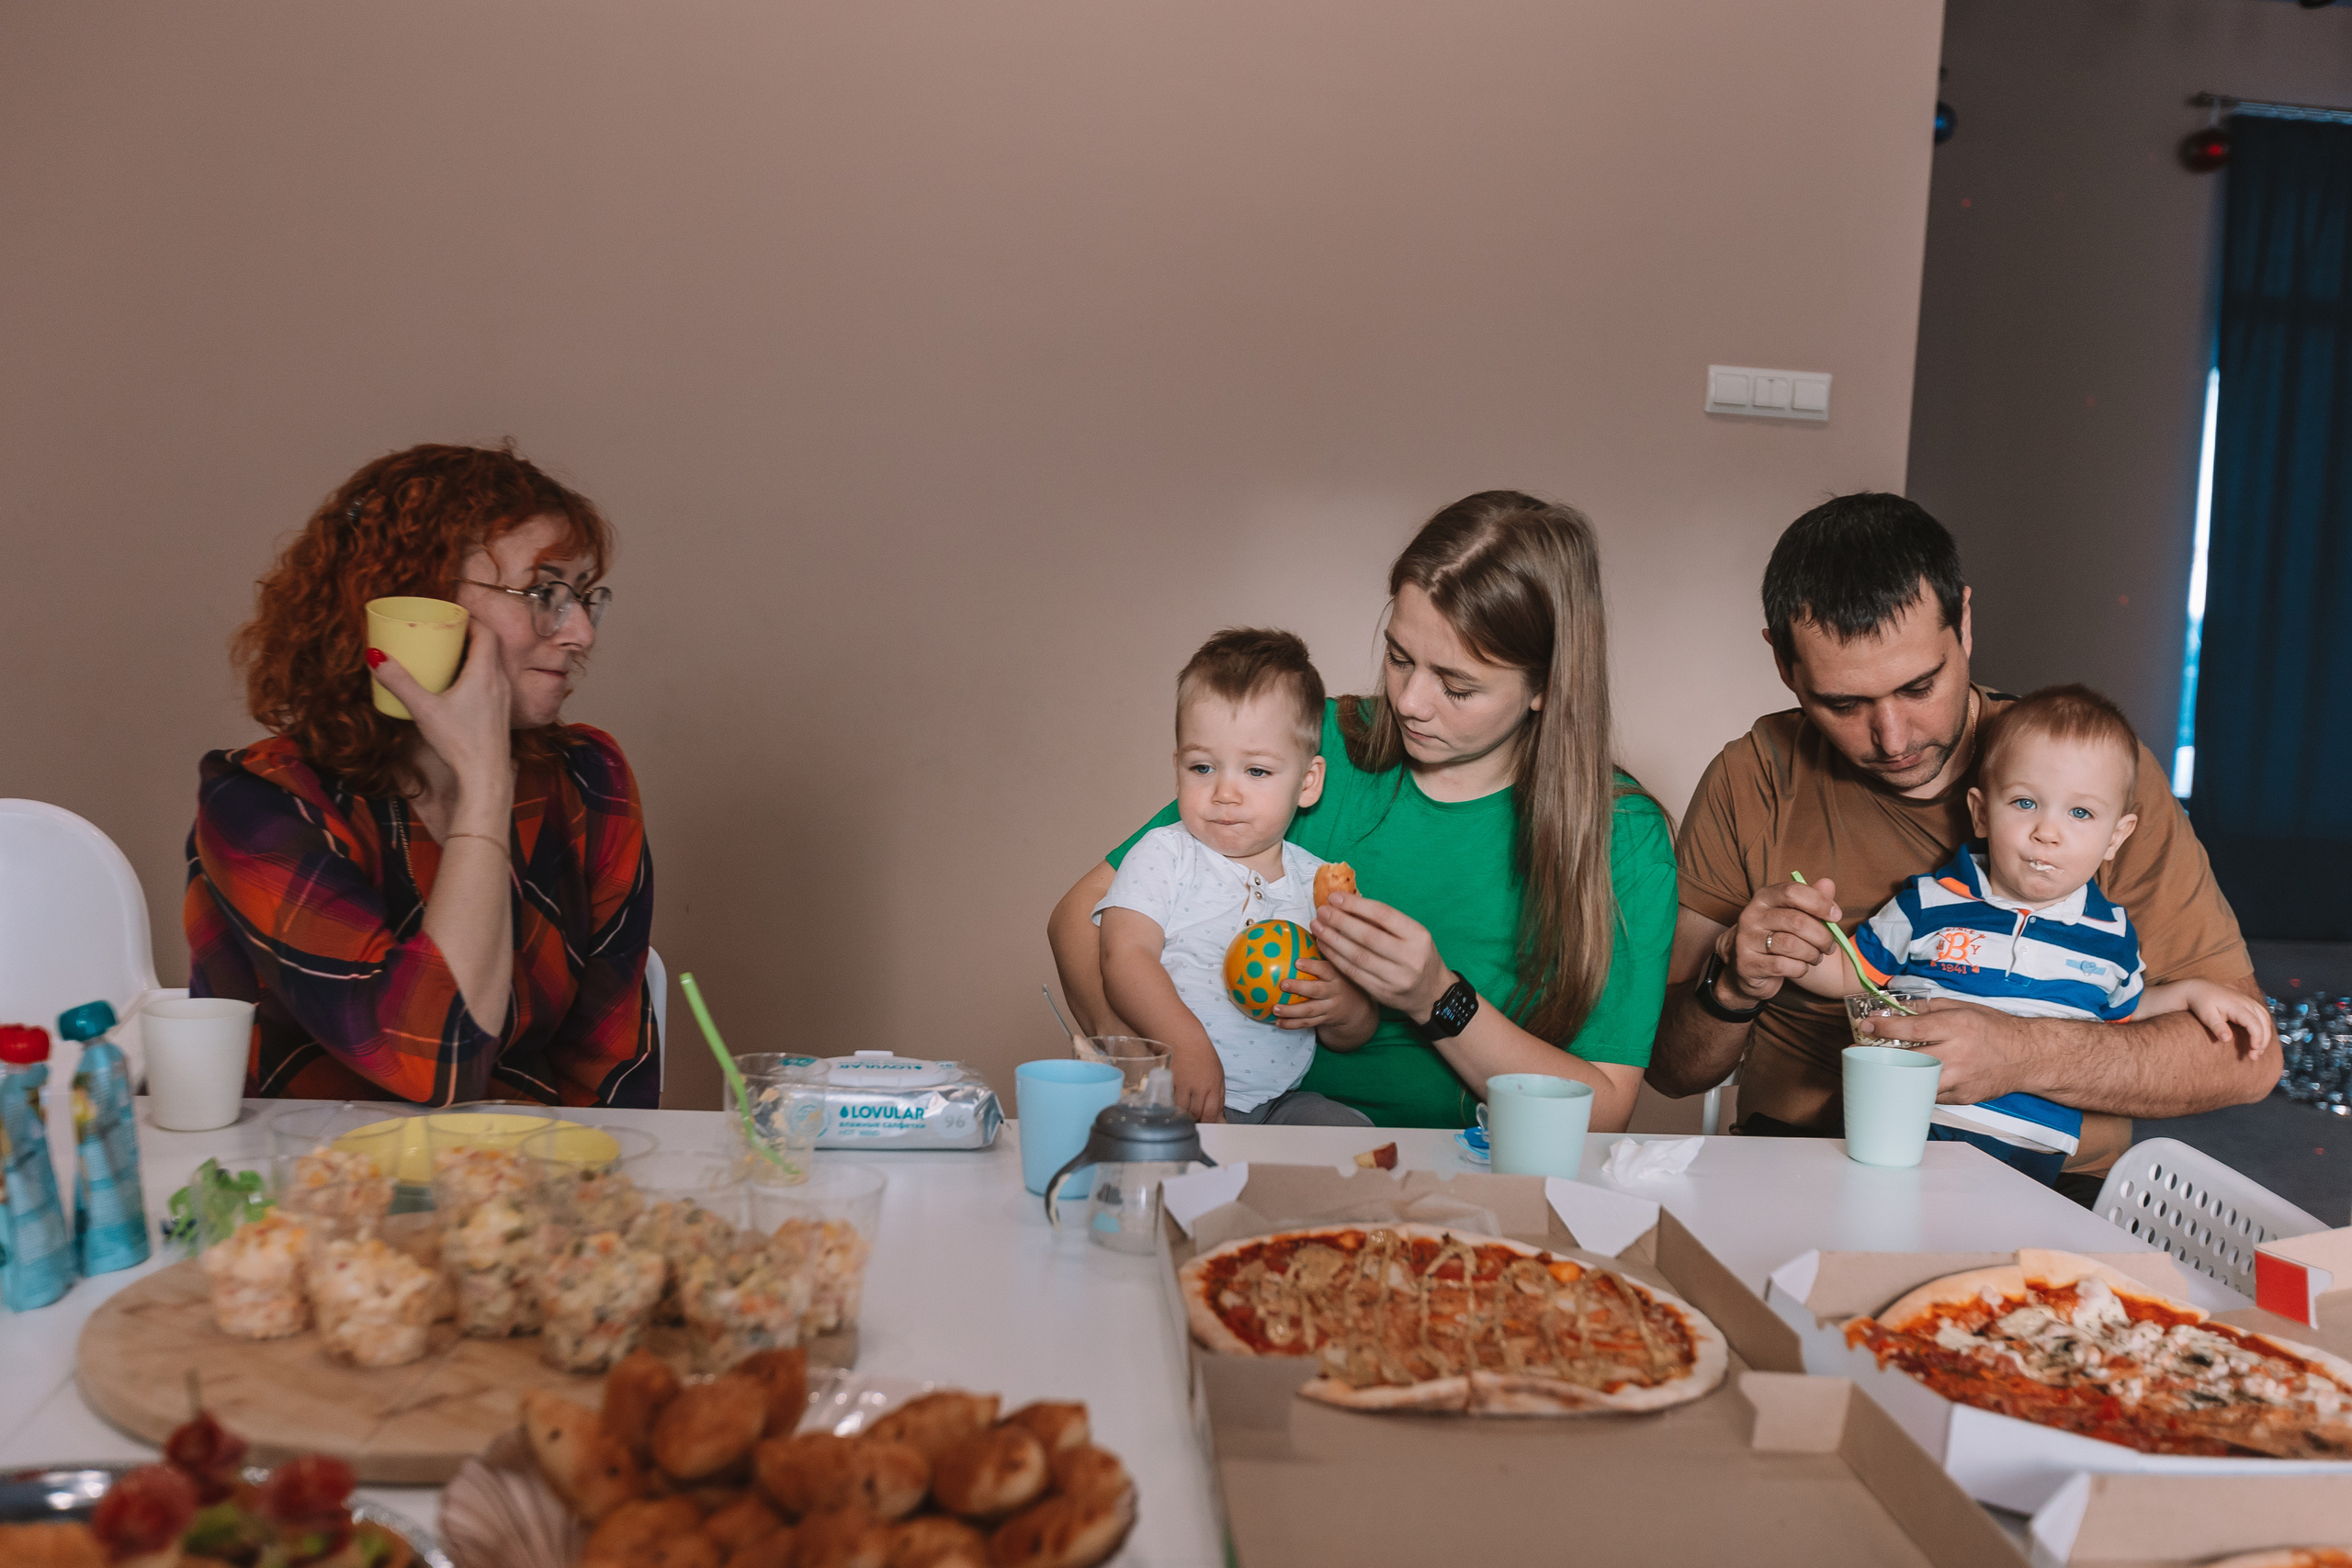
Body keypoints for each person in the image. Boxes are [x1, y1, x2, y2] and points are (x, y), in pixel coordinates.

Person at [1648, 492, 2272, 1192]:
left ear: (1964, 622)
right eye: (1844, 704)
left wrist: (2023, 1054)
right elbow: (1672, 1070)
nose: (1894, 738)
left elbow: (2247, 1060)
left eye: (1920, 686)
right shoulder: (1753, 777)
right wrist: (1732, 983)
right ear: (1785, 667)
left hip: (2053, 1188)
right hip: (1803, 1158)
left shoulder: (2092, 784)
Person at [1050, 491, 1678, 1132]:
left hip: (1478, 1169)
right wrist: (1139, 1060)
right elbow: (1081, 917)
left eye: (1456, 685)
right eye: (1399, 657)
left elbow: (1602, 1110)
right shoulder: (1314, 747)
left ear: (1547, 684)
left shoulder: (1623, 836)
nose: (1409, 701)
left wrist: (1437, 996)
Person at [185, 443, 656, 1106]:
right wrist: (486, 782)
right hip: (308, 1188)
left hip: (524, 1184)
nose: (579, 631)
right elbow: (435, 1063)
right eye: (544, 591)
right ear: (418, 607)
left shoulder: (589, 781)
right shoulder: (262, 803)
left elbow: (609, 1072)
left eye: (582, 596)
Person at [1787, 683, 2272, 1183]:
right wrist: (1796, 950)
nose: (2048, 831)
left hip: (2029, 1162)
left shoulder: (2109, 935)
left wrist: (2193, 993)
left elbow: (2126, 1011)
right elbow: (1852, 973)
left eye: (2080, 813)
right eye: (2024, 803)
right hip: (1909, 1131)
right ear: (1980, 813)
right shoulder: (1929, 901)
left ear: (2116, 837)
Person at [1094, 628, 1374, 1124]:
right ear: (1176, 766)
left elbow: (1351, 1031)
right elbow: (1124, 957)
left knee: (1350, 1134)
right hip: (1175, 1090)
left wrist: (1345, 1006)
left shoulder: (1318, 883)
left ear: (1308, 783)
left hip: (1280, 1102)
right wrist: (1185, 1044)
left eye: (1257, 772)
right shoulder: (1165, 853)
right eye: (1202, 767)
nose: (1225, 792)